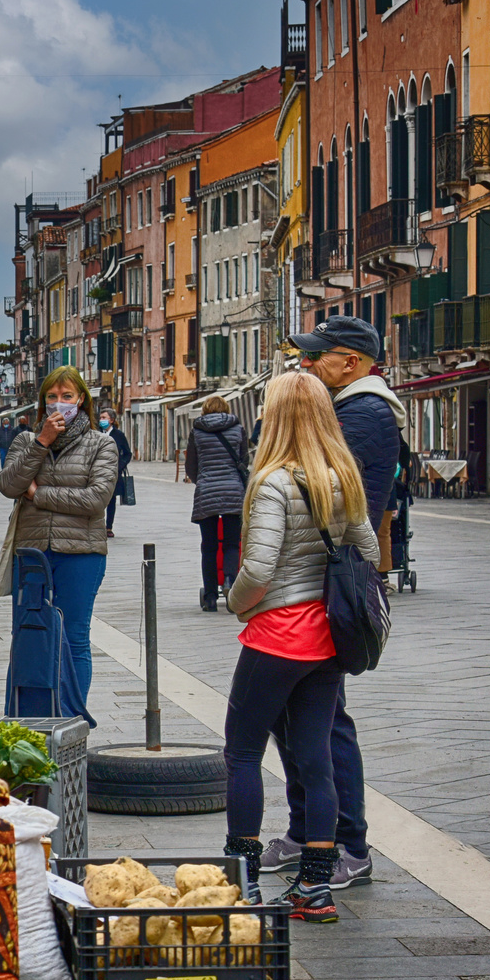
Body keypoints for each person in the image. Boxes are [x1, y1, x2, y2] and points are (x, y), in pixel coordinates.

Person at [222, 372, 379, 923]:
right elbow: (370, 549)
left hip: (278, 635)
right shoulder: (344, 476)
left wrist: (234, 599)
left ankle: (242, 879)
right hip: (328, 638)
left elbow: (259, 568)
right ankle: (316, 885)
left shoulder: (272, 482)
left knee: (242, 751)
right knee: (314, 758)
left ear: (276, 416)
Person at [260, 315, 401, 890]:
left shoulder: (364, 413)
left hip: (330, 582)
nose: (307, 364)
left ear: (351, 363)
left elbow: (338, 498)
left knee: (324, 719)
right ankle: (306, 829)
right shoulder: (348, 407)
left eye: (318, 357)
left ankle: (348, 842)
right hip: (312, 579)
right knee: (295, 715)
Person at [0, 366, 117, 711]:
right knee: (28, 635)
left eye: (67, 397)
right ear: (42, 403)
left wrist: (39, 495)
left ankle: (70, 717)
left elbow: (96, 500)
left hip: (81, 554)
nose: (59, 404)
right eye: (52, 397)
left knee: (74, 638)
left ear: (81, 401)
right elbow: (8, 485)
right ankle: (27, 714)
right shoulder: (25, 441)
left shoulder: (101, 445)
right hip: (31, 554)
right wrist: (41, 443)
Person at [186, 394, 250, 611]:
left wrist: (201, 481)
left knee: (209, 547)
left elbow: (191, 465)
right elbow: (244, 461)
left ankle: (211, 597)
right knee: (232, 544)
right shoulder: (238, 429)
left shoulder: (197, 432)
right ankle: (231, 582)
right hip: (233, 491)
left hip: (207, 492)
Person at [99, 408, 132, 538]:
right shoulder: (97, 434)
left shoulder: (118, 435)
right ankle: (98, 525)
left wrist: (120, 466)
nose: (101, 420)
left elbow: (127, 453)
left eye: (104, 418)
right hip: (99, 472)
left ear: (111, 420)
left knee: (111, 500)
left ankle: (108, 527)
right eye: (101, 417)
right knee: (98, 499)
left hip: (113, 473)